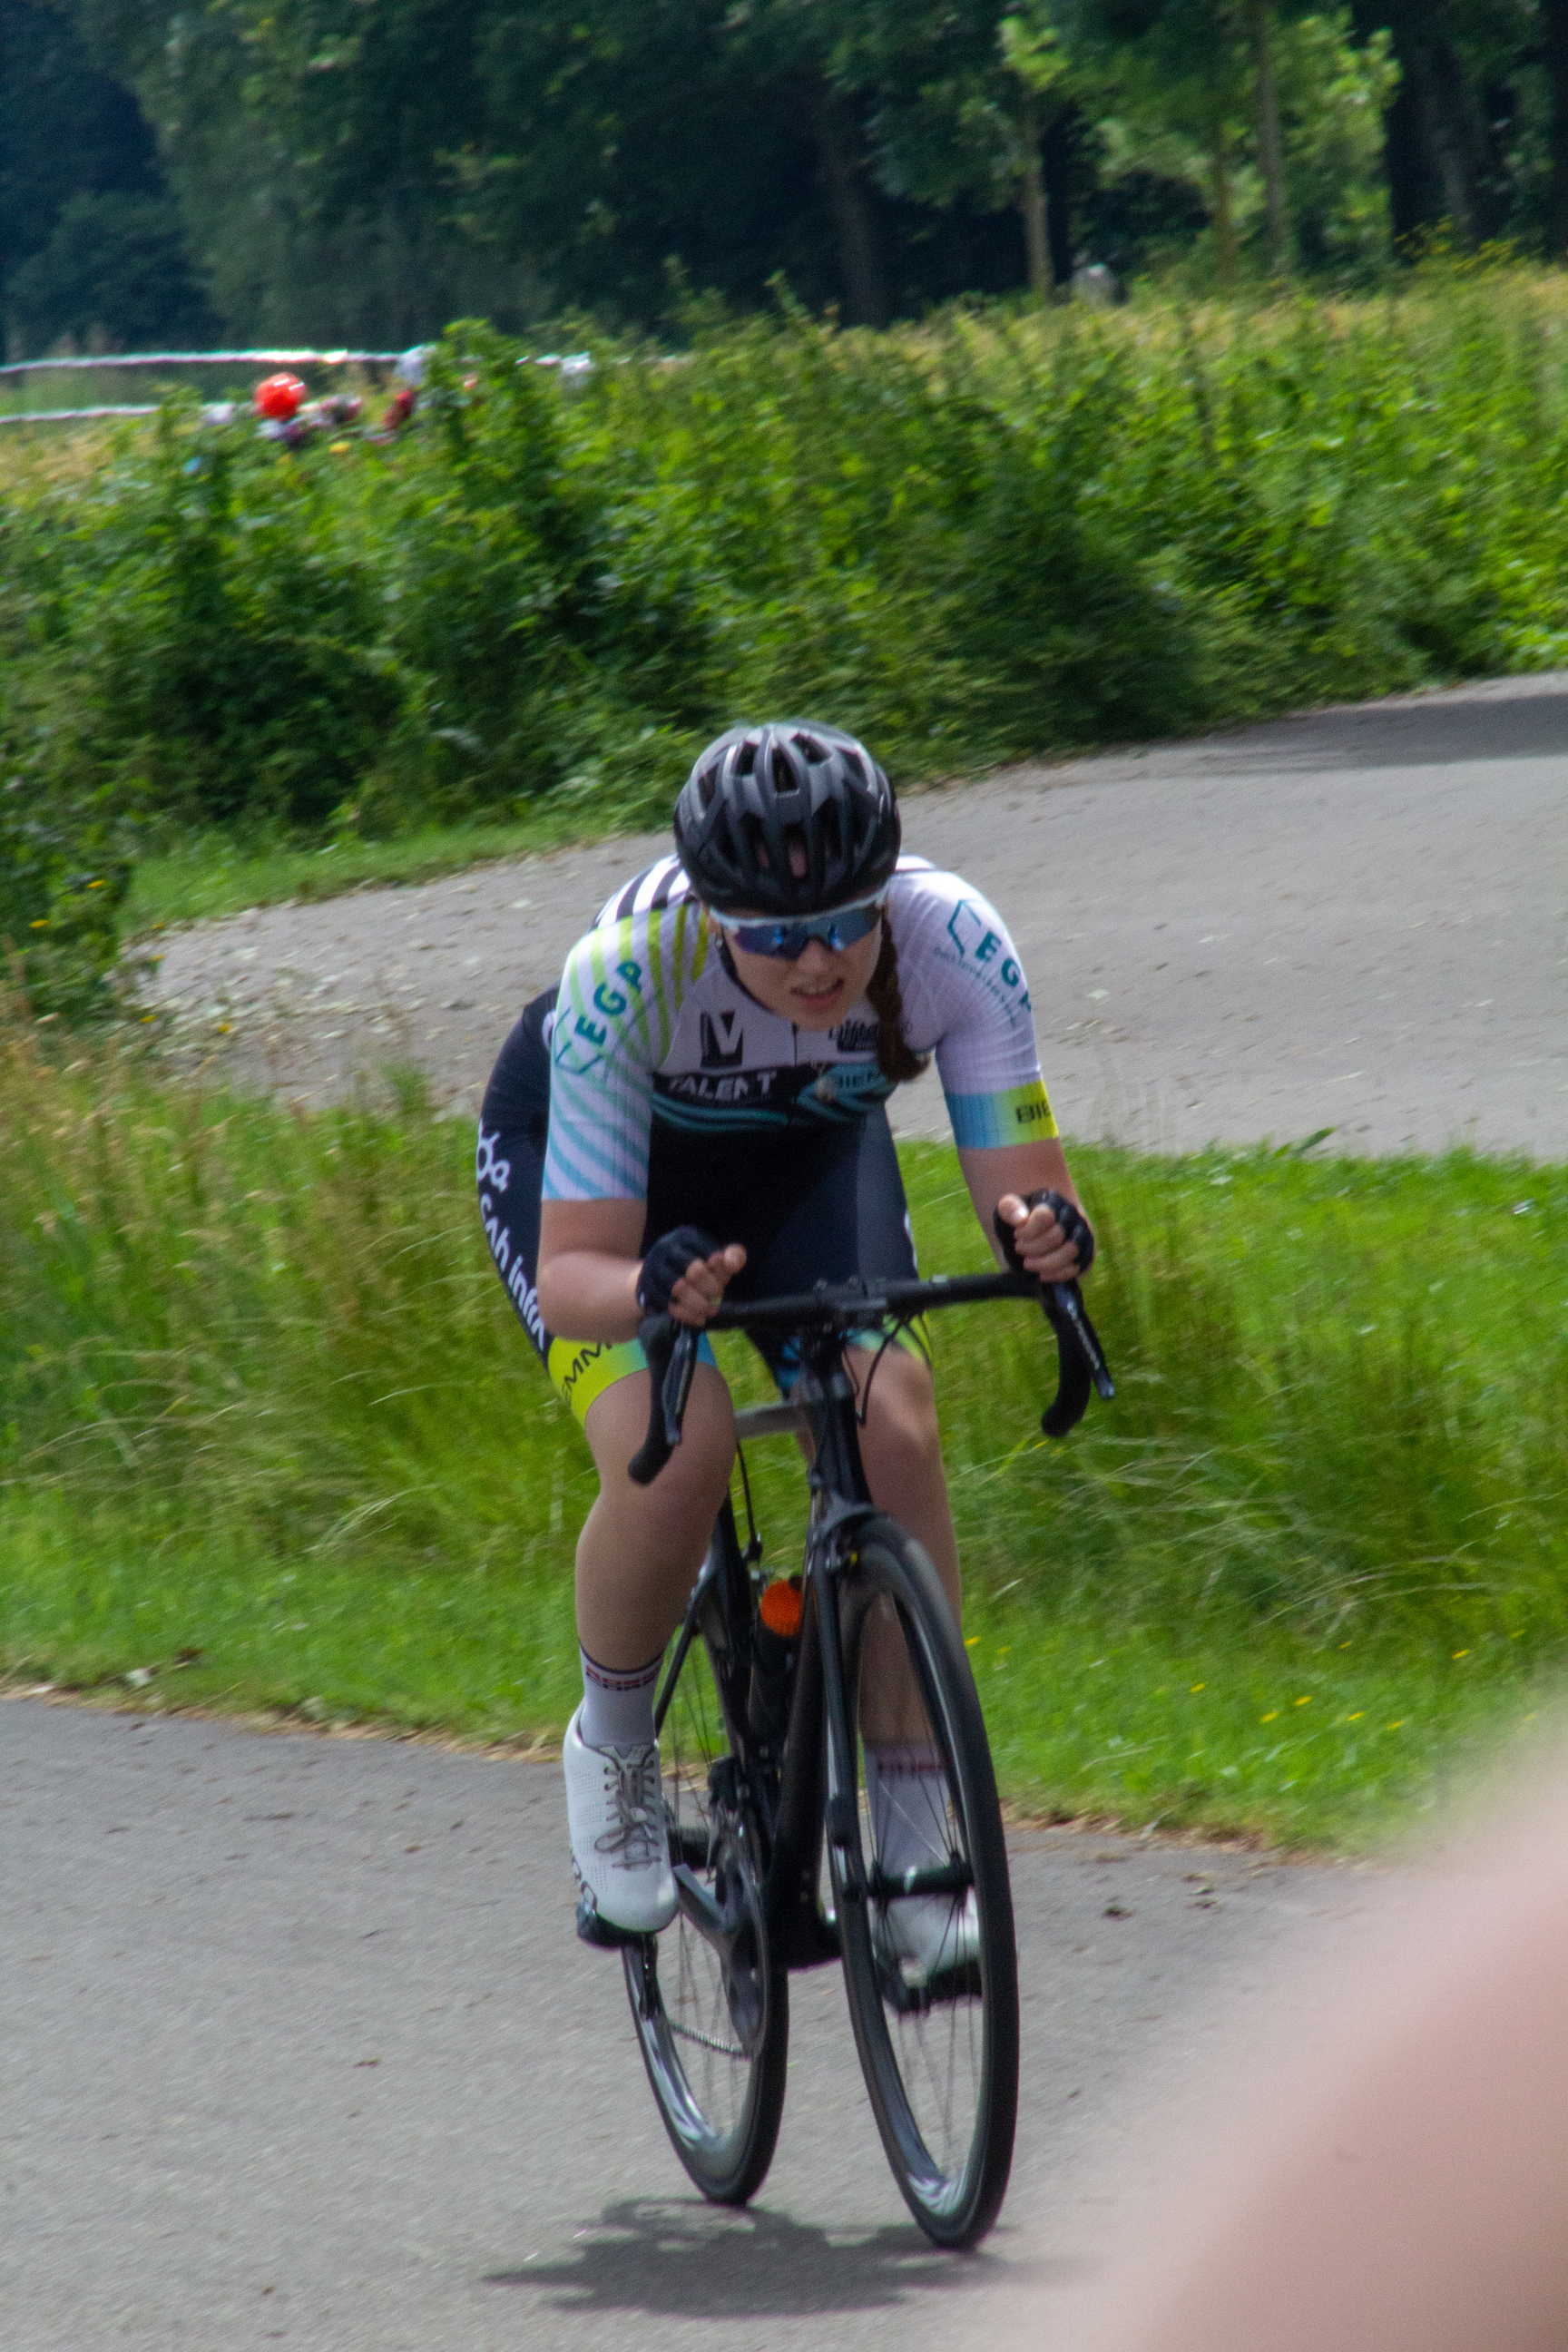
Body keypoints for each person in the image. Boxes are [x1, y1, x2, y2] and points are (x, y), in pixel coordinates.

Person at [475, 719, 1093, 1956]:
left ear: (888, 895)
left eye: (845, 923)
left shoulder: (953, 943)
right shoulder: (627, 973)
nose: (816, 963)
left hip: (803, 1158)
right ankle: (613, 1745)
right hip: (607, 1189)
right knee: (681, 1444)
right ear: (714, 916)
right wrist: (653, 1289)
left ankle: (919, 1837)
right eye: (771, 936)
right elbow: (580, 1272)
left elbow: (1021, 1184)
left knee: (893, 1417)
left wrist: (1045, 1237)